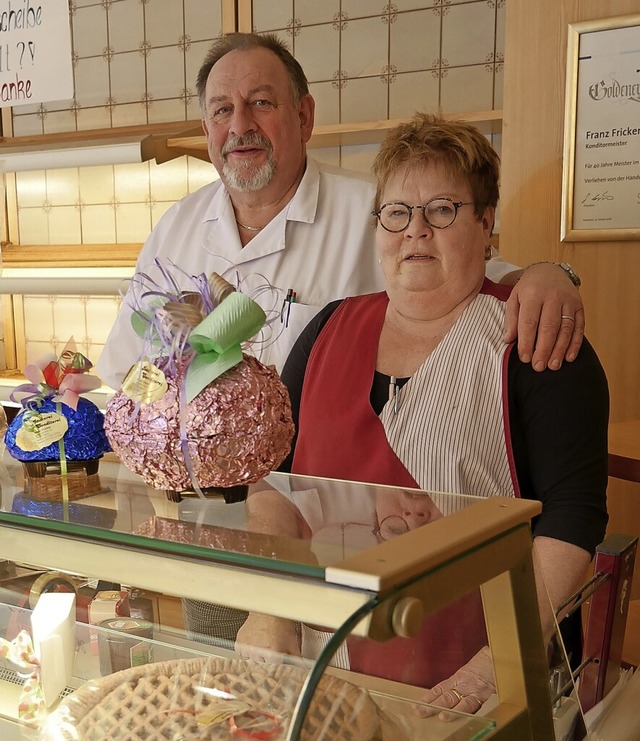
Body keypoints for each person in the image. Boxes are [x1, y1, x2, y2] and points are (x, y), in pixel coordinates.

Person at [236, 113, 609, 717]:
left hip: (487, 686)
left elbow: (572, 522)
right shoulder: (325, 331)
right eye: (396, 212)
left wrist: (498, 666)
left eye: (442, 209)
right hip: (333, 672)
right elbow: (275, 484)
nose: (416, 232)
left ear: (486, 222)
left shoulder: (531, 342)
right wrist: (268, 610)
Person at [97, 32, 585, 393]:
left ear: (304, 116)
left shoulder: (377, 209)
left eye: (261, 103)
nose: (240, 125)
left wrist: (550, 273)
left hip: (325, 489)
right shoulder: (175, 227)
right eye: (222, 110)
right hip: (192, 485)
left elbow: (485, 280)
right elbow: (125, 372)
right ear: (207, 127)